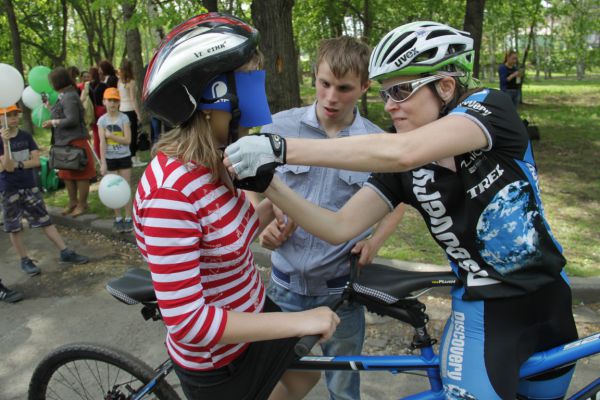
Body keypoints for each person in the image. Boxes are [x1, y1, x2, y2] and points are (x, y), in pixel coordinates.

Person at [225, 21, 579, 400]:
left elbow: (401, 151)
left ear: (445, 87)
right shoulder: (402, 170)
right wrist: (269, 185)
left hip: (550, 301)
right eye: (385, 93)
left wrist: (280, 149)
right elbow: (339, 226)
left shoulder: (489, 109)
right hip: (484, 314)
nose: (389, 104)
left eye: (401, 90)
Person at [134, 13, 339, 400]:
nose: (259, 93)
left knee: (306, 374)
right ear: (212, 96)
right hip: (218, 357)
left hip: (251, 312)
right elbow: (189, 322)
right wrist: (299, 320)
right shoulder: (171, 194)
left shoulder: (217, 157)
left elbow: (225, 239)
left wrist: (273, 209)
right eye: (249, 81)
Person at [257, 36, 405, 400]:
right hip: (283, 291)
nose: (331, 97)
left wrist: (375, 241)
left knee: (343, 386)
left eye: (344, 88)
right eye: (324, 84)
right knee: (274, 384)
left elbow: (398, 200)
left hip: (341, 296)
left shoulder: (375, 142)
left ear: (365, 87)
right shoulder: (278, 128)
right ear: (314, 77)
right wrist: (266, 226)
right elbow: (254, 188)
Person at [1, 104, 89, 277]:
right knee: (15, 227)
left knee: (45, 220)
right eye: (9, 115)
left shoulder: (26, 136)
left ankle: (65, 252)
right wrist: (5, 144)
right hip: (9, 189)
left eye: (15, 114)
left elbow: (35, 161)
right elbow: (7, 167)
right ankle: (25, 260)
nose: (13, 117)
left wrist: (19, 164)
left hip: (29, 185)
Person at [42, 67, 96, 217]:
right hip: (64, 141)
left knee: (80, 173)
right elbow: (65, 113)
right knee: (66, 173)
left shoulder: (70, 96)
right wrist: (50, 108)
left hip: (75, 140)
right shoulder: (64, 95)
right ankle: (72, 202)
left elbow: (72, 119)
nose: (51, 84)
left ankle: (82, 204)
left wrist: (53, 122)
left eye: (51, 81)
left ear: (58, 81)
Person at [97, 88, 133, 233]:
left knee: (126, 187)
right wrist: (103, 162)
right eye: (109, 100)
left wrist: (111, 136)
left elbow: (127, 140)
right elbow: (102, 142)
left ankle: (129, 218)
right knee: (113, 188)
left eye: (115, 100)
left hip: (124, 157)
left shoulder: (124, 118)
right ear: (104, 102)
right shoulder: (102, 121)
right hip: (110, 159)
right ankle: (118, 218)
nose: (112, 103)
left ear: (119, 102)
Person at [117, 59, 145, 167]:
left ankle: (132, 157)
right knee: (133, 135)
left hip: (122, 110)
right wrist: (138, 114)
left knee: (127, 135)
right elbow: (133, 99)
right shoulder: (131, 82)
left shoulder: (119, 82)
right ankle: (133, 158)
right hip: (130, 110)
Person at [88, 66, 107, 158]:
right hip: (102, 111)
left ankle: (98, 154)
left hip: (92, 112)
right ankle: (106, 153)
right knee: (105, 133)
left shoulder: (88, 86)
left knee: (96, 135)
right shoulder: (103, 86)